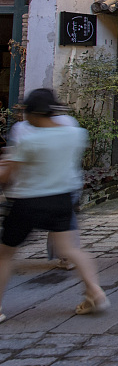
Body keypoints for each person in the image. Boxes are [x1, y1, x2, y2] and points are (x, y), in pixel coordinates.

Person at [0, 89, 108, 323]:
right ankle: (95, 291)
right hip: (61, 199)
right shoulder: (76, 134)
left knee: (5, 255)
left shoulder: (28, 140)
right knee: (70, 250)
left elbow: (7, 176)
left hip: (27, 201)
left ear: (34, 113)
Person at [6, 106, 80, 270]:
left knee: (8, 245)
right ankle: (68, 257)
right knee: (64, 225)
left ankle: (67, 256)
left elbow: (15, 161)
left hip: (33, 190)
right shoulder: (70, 125)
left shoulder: (22, 129)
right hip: (65, 185)